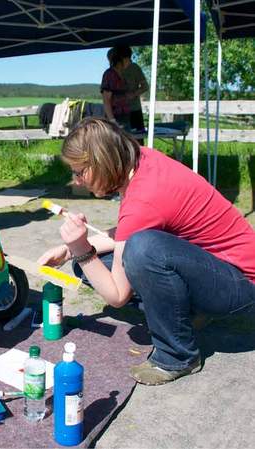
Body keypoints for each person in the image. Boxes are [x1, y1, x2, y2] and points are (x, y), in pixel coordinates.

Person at [38, 117, 255, 386]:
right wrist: (69, 252)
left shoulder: (143, 197)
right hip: (215, 271)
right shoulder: (142, 161)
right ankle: (188, 316)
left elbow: (117, 295)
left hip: (241, 285)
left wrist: (81, 247)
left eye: (79, 171)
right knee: (95, 264)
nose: (77, 181)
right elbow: (130, 231)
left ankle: (177, 356)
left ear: (102, 161)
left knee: (142, 251)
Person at [118, 46, 148, 143]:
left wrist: (134, 94)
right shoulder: (116, 69)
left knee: (138, 141)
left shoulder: (135, 68)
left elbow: (145, 86)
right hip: (120, 112)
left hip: (134, 110)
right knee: (123, 141)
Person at [100, 49, 130, 128]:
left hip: (125, 116)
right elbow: (106, 100)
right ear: (120, 60)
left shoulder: (123, 74)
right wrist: (112, 121)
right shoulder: (109, 74)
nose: (130, 61)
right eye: (128, 58)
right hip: (115, 118)